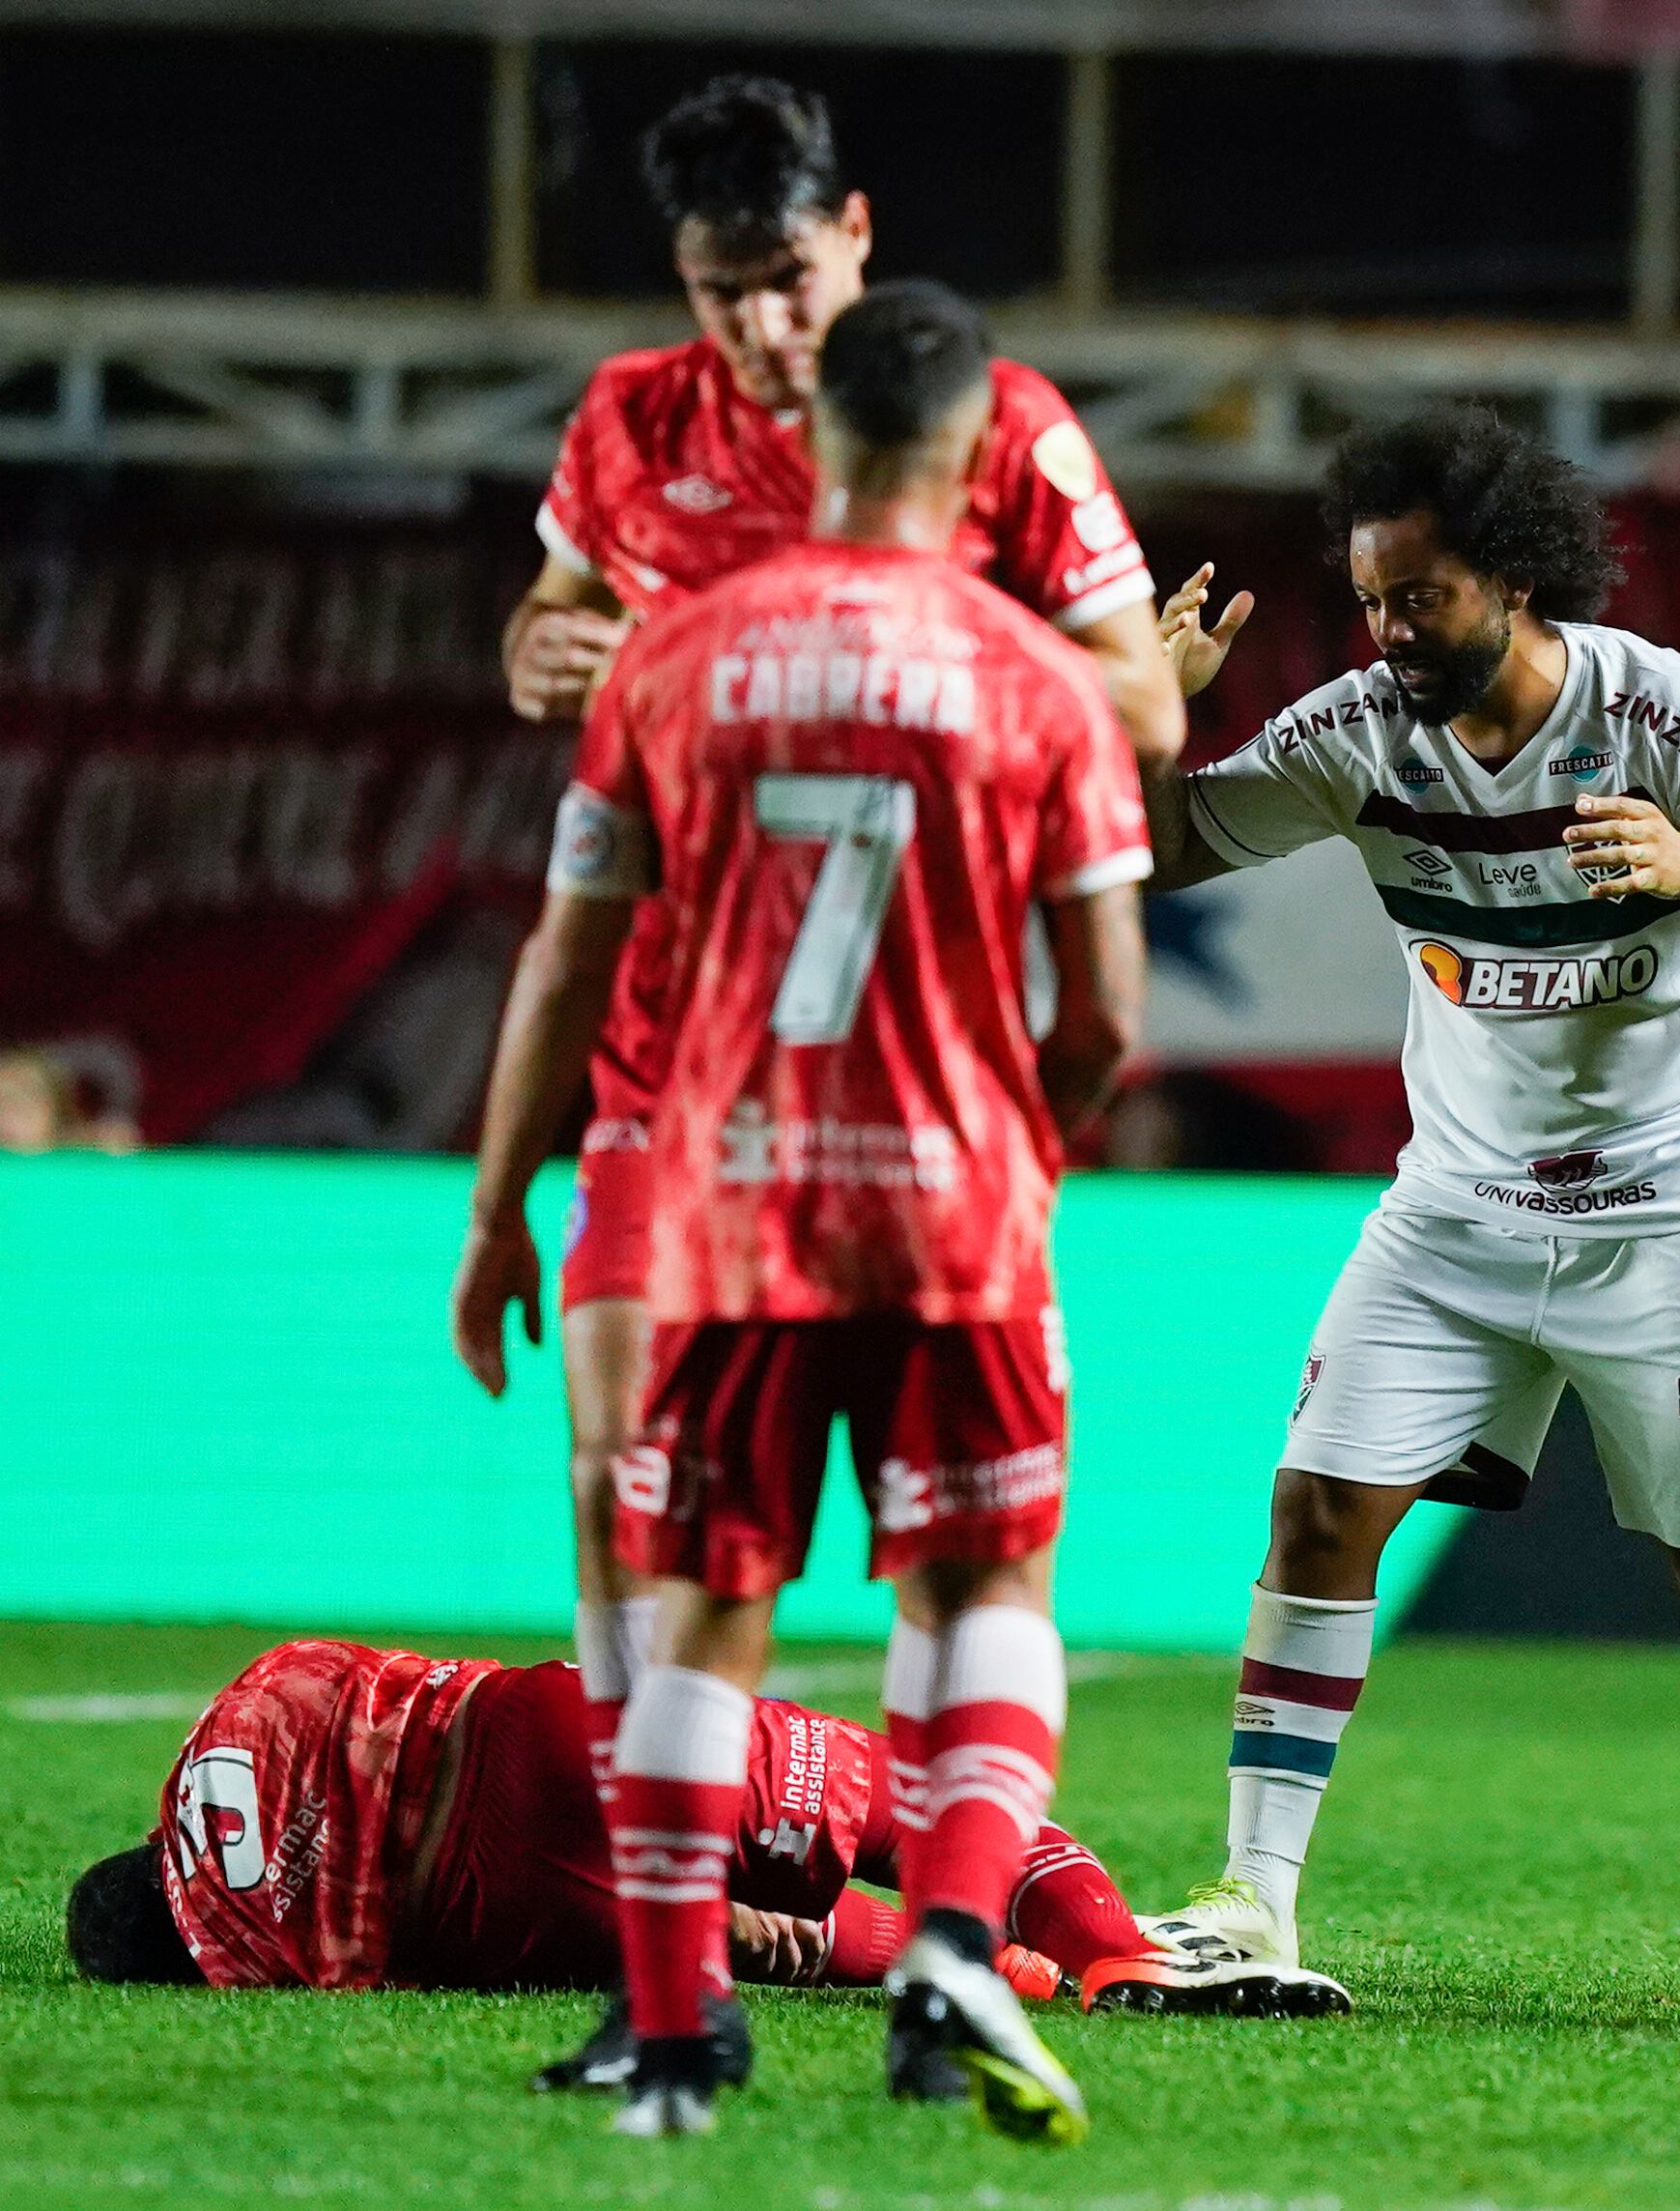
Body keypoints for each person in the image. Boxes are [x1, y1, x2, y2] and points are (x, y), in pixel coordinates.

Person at [454, 282, 1156, 2140]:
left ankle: (679, 2029)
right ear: (972, 447)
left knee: (702, 1611)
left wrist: (497, 1202)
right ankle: (944, 1950)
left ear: (820, 434)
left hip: (727, 1210)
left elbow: (568, 955)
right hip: (955, 1209)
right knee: (982, 1590)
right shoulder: (1041, 683)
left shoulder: (670, 659)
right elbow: (1111, 1011)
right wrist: (1032, 1130)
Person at [488, 74, 1185, 1795]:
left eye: (789, 277)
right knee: (617, 1461)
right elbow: (547, 626)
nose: (760, 324)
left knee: (939, 1532)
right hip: (682, 1028)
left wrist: (890, 653)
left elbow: (1145, 700)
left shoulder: (986, 419)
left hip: (907, 1034)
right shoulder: (632, 421)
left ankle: (923, 1870)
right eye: (719, 290)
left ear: (855, 234)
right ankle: (656, 1859)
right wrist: (539, 653)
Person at [1136, 407, 1680, 2018]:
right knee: (1319, 1510)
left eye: (1423, 600)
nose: (1392, 634)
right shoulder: (1360, 733)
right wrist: (1139, 717)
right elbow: (1158, 852)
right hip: (1459, 1207)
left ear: (1516, 582)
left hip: (1679, 1204)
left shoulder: (1669, 720)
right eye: (1373, 601)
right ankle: (1251, 1902)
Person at [63, 1638, 1350, 2058]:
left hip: (496, 1907)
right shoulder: (238, 1713)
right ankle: (1116, 1955)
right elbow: (368, 1673)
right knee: (952, 1817)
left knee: (801, 1943)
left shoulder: (229, 1951)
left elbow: (363, 1965)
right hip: (531, 1735)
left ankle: (1016, 1976)